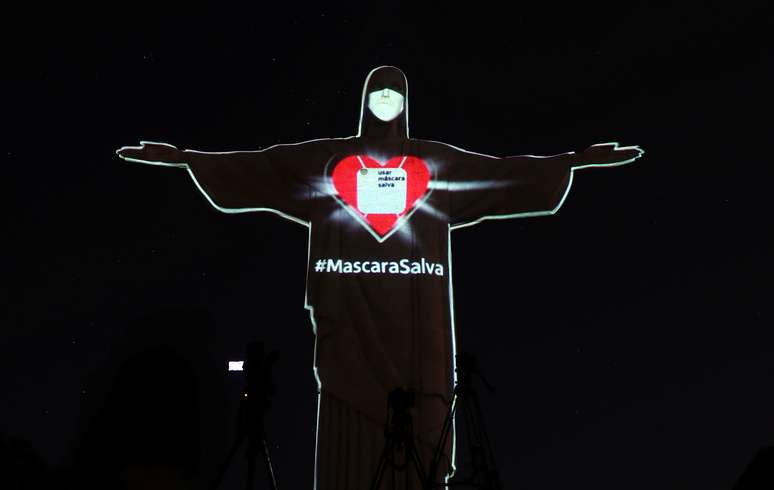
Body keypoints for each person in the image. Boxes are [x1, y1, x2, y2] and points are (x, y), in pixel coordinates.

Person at [118, 65, 643, 489]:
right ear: (365, 98)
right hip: (351, 321)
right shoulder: (329, 161)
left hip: (419, 330)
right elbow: (265, 168)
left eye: (395, 93)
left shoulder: (432, 164)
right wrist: (186, 158)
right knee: (352, 423)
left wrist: (574, 161)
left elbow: (500, 173)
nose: (386, 101)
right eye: (379, 92)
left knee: (422, 427)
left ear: (406, 101)